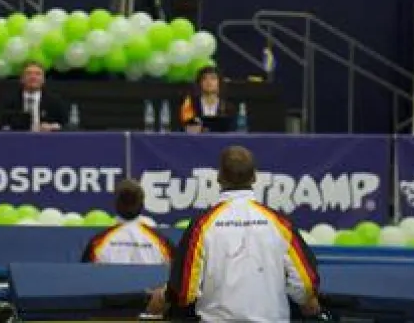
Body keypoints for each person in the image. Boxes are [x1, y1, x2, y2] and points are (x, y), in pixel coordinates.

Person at [146, 147, 321, 323]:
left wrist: (162, 296)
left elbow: (184, 292)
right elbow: (306, 284)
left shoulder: (202, 226)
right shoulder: (280, 224)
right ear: (254, 177)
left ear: (219, 177)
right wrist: (304, 299)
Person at [81, 179, 173, 264]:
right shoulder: (162, 242)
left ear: (116, 204)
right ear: (142, 204)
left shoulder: (97, 242)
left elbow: (84, 276)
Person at [0, 60, 67, 132]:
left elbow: (66, 126)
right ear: (21, 79)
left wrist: (53, 127)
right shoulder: (8, 101)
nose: (33, 77)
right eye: (29, 74)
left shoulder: (55, 102)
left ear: (43, 79)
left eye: (37, 74)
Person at [179, 66, 236, 132]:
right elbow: (185, 125)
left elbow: (231, 130)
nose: (209, 82)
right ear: (199, 83)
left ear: (219, 82)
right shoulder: (190, 103)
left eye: (213, 78)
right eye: (204, 79)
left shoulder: (228, 106)